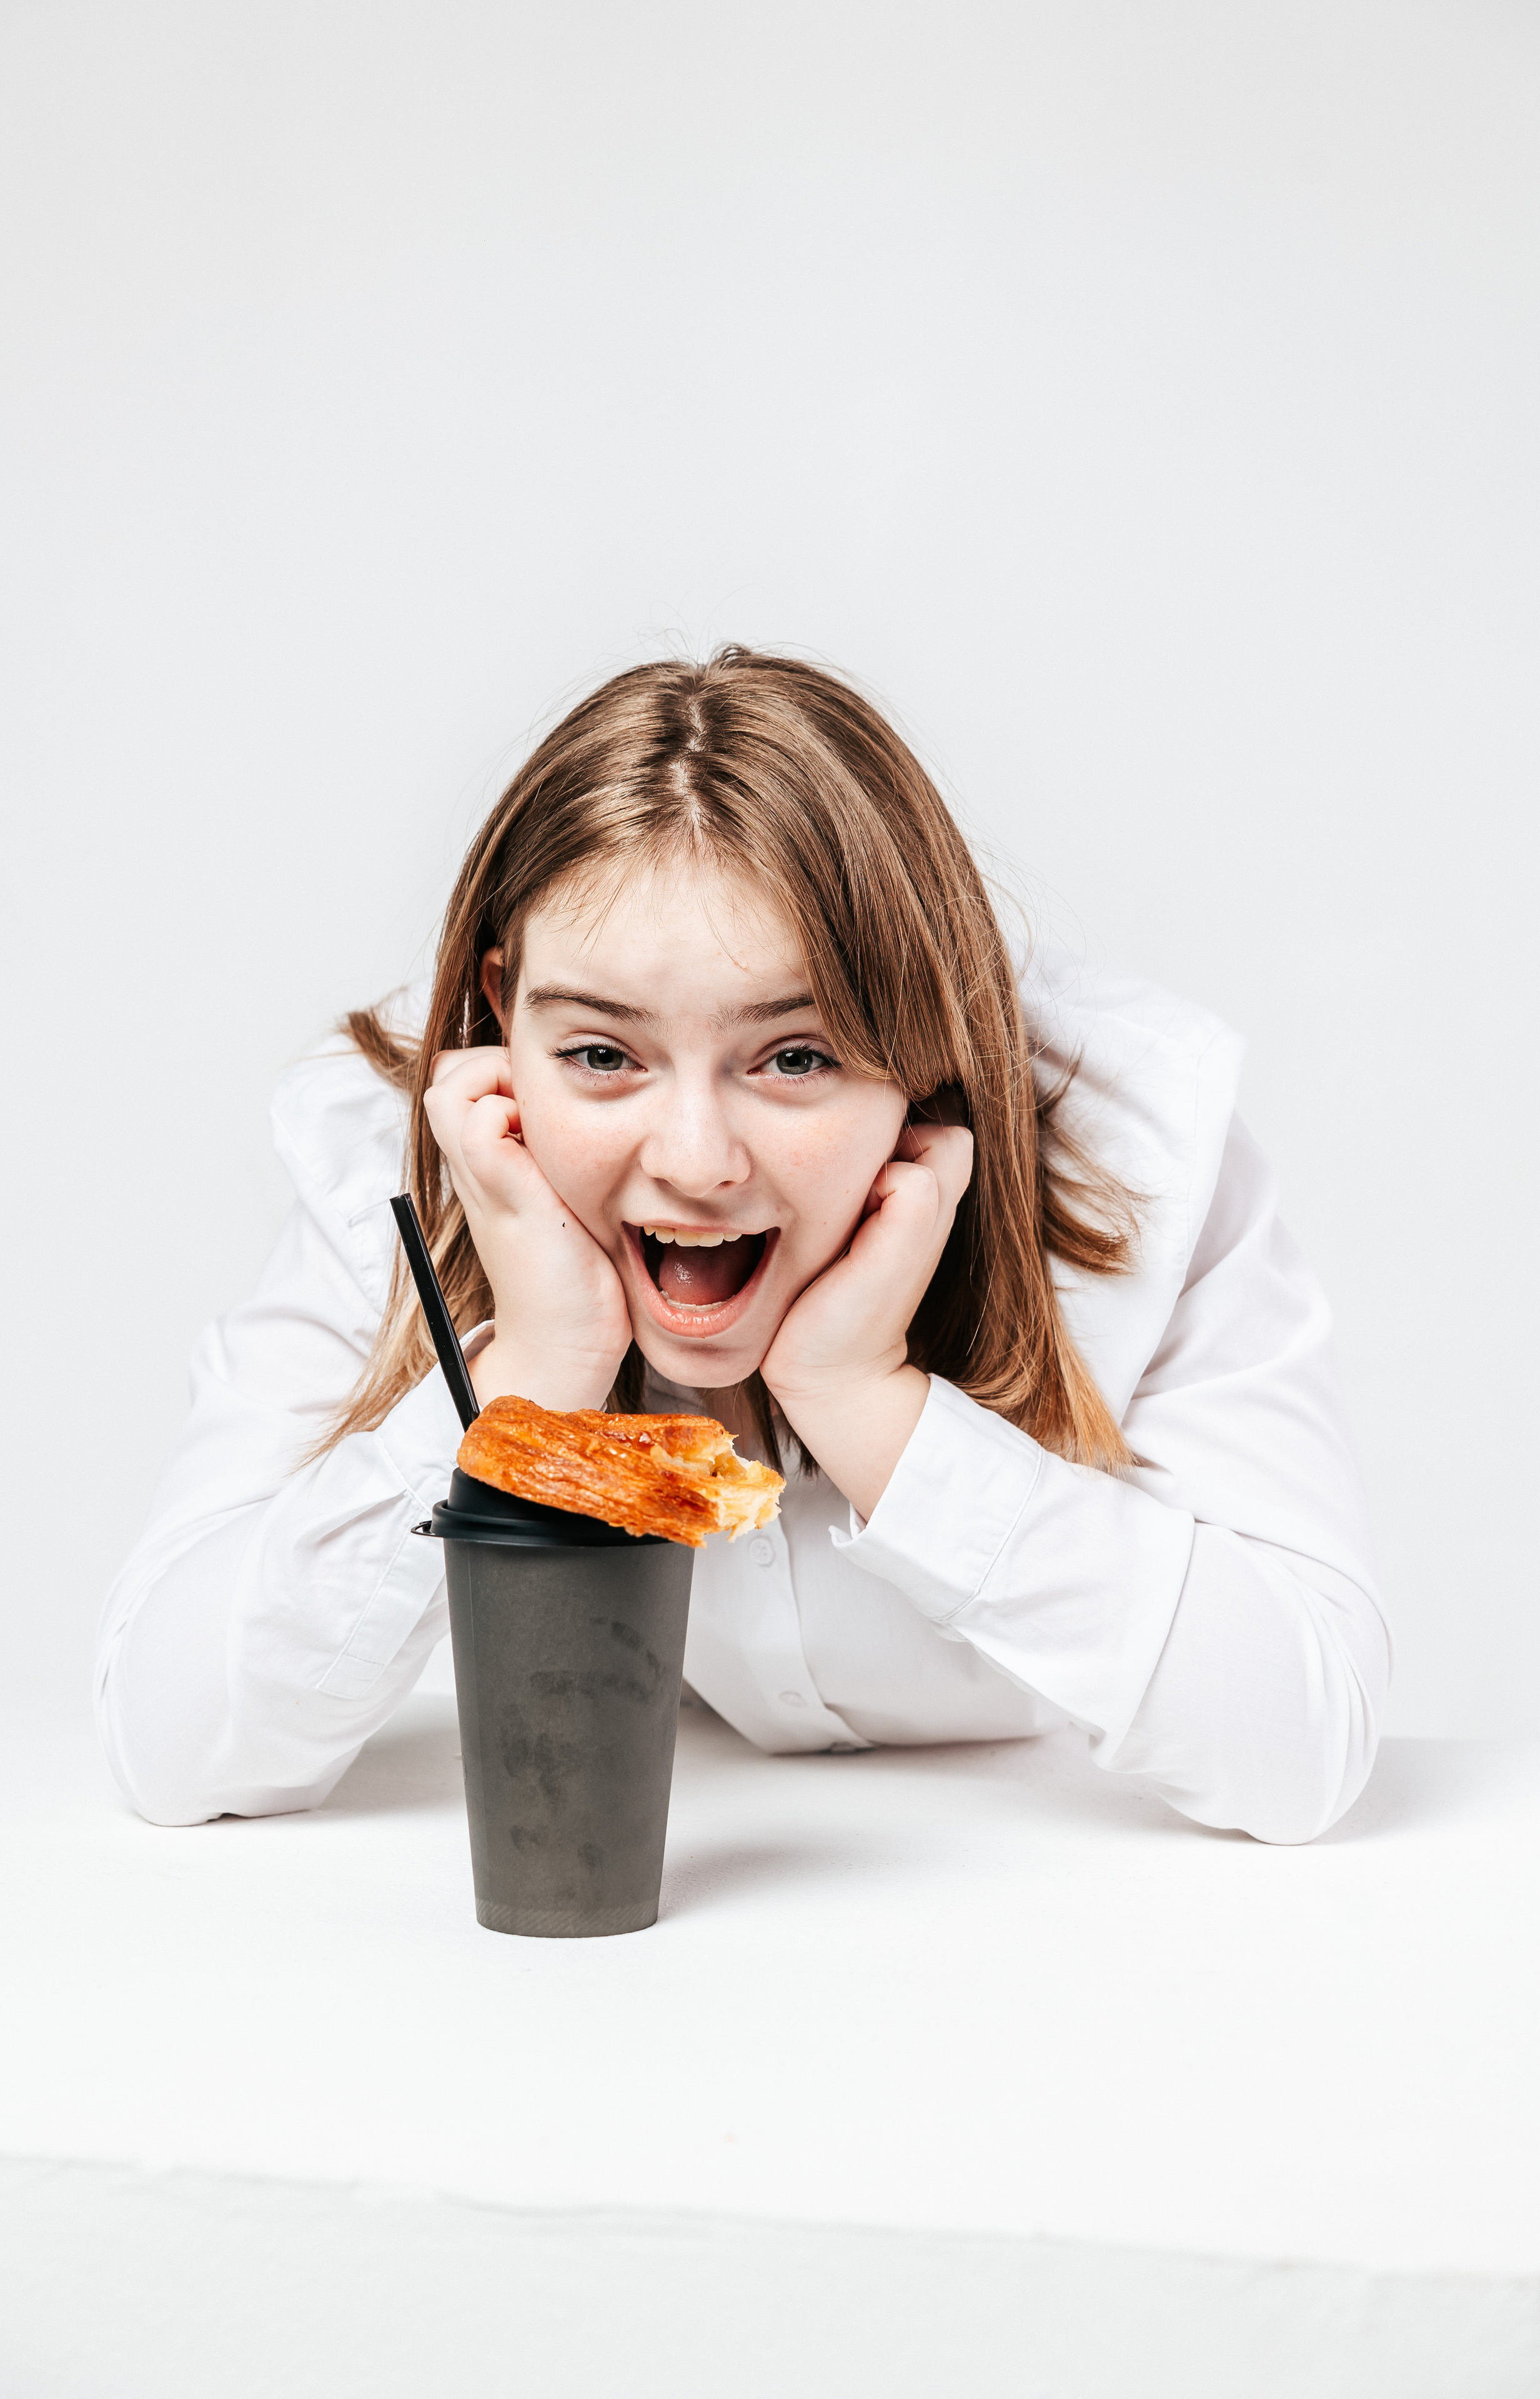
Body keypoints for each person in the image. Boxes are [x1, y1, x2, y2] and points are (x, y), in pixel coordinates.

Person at [95, 649, 1387, 1844]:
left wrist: (867, 1404)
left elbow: (1304, 1746)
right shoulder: (416, 1167)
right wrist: (526, 1387)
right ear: (503, 1015)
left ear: (921, 1045)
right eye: (601, 1054)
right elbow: (171, 1740)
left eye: (796, 1057)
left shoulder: (1136, 1154)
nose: (697, 1161)